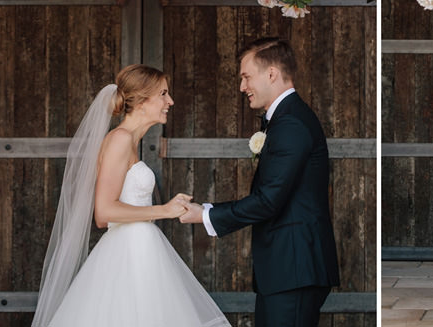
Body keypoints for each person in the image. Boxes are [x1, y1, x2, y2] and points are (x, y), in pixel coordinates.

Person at [32, 65, 231, 327]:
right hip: (128, 252)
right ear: (141, 100)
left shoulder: (129, 141)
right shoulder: (120, 139)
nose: (169, 101)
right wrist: (164, 210)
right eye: (163, 94)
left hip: (140, 249)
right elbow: (103, 213)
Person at [180, 37, 340, 327]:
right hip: (288, 269)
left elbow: (269, 200)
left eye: (246, 77)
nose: (242, 87)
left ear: (271, 74)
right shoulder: (285, 119)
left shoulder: (290, 123)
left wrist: (204, 214)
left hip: (294, 269)